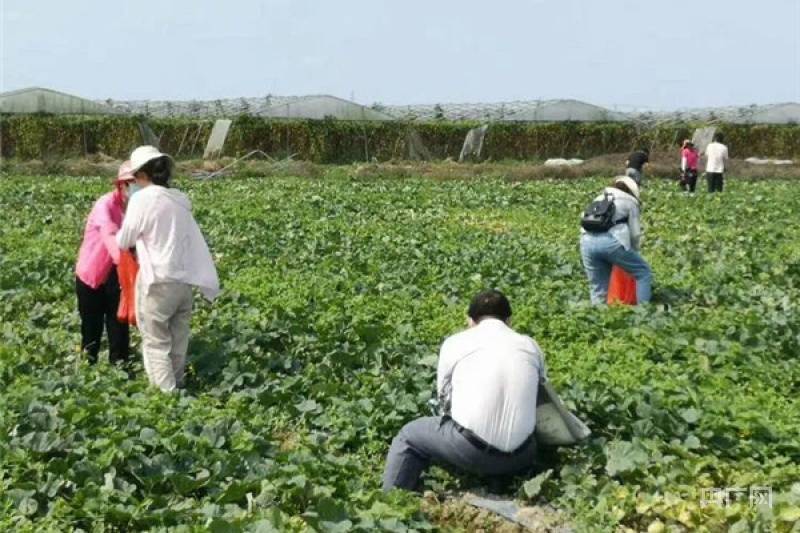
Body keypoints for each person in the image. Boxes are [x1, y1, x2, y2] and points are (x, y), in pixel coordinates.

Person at [382, 290, 545, 492]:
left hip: (471, 452)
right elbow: (540, 392)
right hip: (522, 455)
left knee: (408, 435)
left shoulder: (456, 342)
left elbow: (443, 396)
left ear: (470, 320)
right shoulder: (531, 345)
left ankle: (391, 499)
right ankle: (498, 478)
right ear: (509, 320)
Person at [116, 146, 220, 392]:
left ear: (140, 174)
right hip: (183, 283)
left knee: (156, 343)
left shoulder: (141, 199)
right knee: (178, 341)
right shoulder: (180, 199)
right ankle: (179, 385)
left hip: (157, 282)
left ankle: (167, 398)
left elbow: (124, 240)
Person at [75, 161, 136, 365]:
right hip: (92, 272)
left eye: (137, 182)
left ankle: (120, 369)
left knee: (118, 323)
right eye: (129, 182)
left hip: (118, 273)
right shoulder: (106, 205)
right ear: (120, 185)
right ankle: (88, 366)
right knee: (91, 327)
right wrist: (126, 260)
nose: (133, 187)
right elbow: (110, 236)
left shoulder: (138, 208)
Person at [580, 176, 652, 304]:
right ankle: (643, 312)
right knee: (643, 272)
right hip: (612, 242)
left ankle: (597, 320)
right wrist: (633, 252)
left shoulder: (599, 198)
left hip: (586, 242)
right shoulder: (630, 201)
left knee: (598, 286)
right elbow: (635, 234)